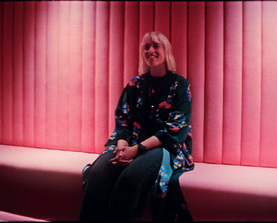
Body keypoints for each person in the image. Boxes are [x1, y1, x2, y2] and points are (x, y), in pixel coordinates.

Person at [79, 31, 194, 222]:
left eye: (156, 46)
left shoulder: (180, 85)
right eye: (146, 47)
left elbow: (175, 130)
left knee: (129, 179)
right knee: (98, 174)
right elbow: (123, 120)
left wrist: (137, 149)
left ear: (166, 51)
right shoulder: (134, 84)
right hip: (130, 144)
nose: (150, 50)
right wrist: (122, 146)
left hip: (164, 147)